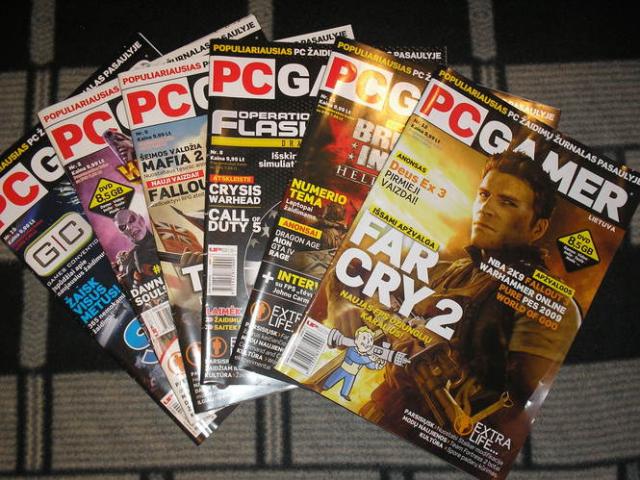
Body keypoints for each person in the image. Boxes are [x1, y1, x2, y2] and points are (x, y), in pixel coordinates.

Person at [357, 151, 581, 440]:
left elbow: (518, 410)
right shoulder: (458, 270)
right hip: (379, 416)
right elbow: (383, 296)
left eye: (507, 202)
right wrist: (398, 337)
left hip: (448, 440)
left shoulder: (549, 299)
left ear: (537, 228)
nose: (486, 209)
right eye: (484, 195)